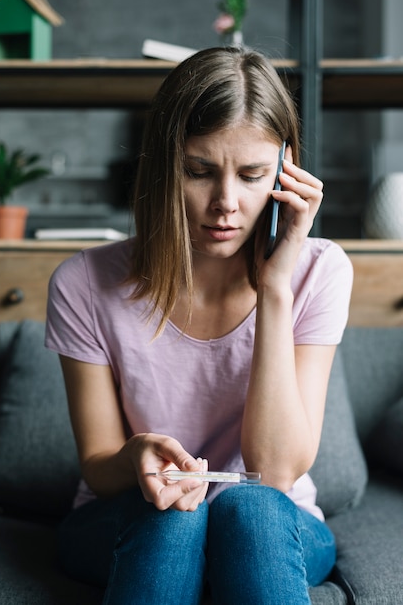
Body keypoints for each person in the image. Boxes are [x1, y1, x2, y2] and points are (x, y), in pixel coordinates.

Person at [45, 46, 353, 605]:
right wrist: (135, 456)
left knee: (250, 510)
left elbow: (275, 472)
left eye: (254, 174)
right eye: (199, 171)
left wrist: (277, 287)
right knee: (174, 519)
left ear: (287, 171)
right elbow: (100, 464)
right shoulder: (83, 283)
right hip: (131, 517)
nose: (226, 204)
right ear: (164, 167)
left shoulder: (320, 271)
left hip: (272, 525)